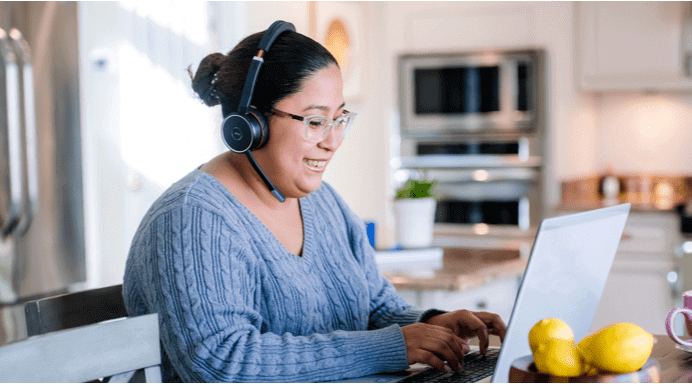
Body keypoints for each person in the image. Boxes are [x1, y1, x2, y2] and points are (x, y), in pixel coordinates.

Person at [122, 21, 507, 383]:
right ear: (249, 125)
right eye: (314, 121)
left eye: (339, 119)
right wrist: (390, 347)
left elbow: (372, 305)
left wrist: (432, 323)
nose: (333, 141)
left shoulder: (322, 202)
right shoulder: (192, 219)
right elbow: (222, 362)